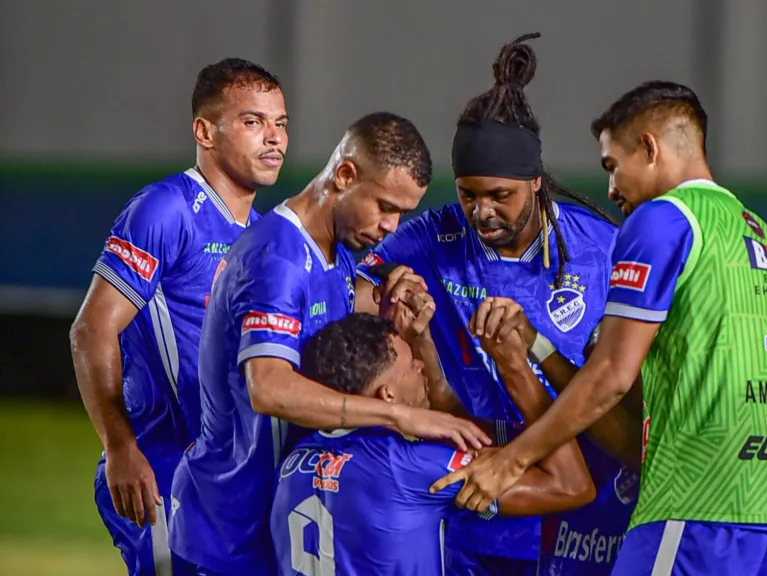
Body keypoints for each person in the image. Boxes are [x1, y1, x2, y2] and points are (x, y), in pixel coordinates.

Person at [433, 80, 767, 575]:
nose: (610, 190)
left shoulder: (664, 221)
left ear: (649, 147)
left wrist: (512, 461)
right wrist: (539, 345)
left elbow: (611, 375)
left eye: (612, 166)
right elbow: (643, 417)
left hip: (693, 506)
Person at [168, 112, 491, 576]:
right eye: (384, 206)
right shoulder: (276, 258)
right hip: (225, 532)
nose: (391, 227)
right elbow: (269, 388)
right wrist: (399, 413)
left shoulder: (335, 257)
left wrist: (390, 316)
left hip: (270, 525)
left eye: (402, 213)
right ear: (344, 175)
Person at [354, 33, 626, 575]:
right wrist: (387, 297)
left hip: (582, 498)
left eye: (499, 195)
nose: (481, 213)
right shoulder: (433, 237)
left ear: (535, 181)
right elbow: (350, 288)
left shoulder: (601, 247)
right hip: (471, 500)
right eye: (467, 194)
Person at [69, 57, 287, 576]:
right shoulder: (166, 210)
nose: (273, 139)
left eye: (281, 123)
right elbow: (92, 327)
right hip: (162, 470)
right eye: (253, 122)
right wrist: (119, 445)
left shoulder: (262, 235)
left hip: (228, 482)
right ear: (204, 131)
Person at [271, 312, 596, 575]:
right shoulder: (413, 466)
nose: (420, 366)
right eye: (411, 364)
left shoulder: (292, 461)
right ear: (388, 396)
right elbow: (572, 486)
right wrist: (516, 369)